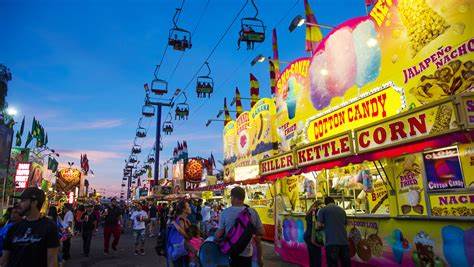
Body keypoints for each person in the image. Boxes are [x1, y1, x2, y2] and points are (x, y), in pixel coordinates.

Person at [0, 187, 59, 267]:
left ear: (34, 202)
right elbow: (4, 260)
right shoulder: (14, 228)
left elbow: (52, 261)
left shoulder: (49, 227)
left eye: (23, 200)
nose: (19, 204)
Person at [215, 187, 264, 267]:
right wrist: (248, 231)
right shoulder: (252, 212)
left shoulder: (225, 213)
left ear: (233, 198)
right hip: (247, 254)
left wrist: (215, 237)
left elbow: (218, 234)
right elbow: (262, 232)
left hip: (232, 252)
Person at [317, 197, 350, 267]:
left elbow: (319, 225)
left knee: (332, 264)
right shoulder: (342, 210)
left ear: (325, 203)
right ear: (334, 201)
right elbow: (346, 224)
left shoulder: (323, 210)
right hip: (344, 242)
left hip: (331, 242)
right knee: (346, 264)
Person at [169, 200, 192, 267]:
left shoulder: (185, 219)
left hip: (182, 250)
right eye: (188, 206)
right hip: (180, 251)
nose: (190, 208)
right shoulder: (181, 219)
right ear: (184, 209)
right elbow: (185, 234)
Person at [304, 201, 323, 267]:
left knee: (312, 256)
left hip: (308, 235)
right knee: (317, 256)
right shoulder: (317, 212)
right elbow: (318, 225)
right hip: (314, 236)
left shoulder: (309, 211)